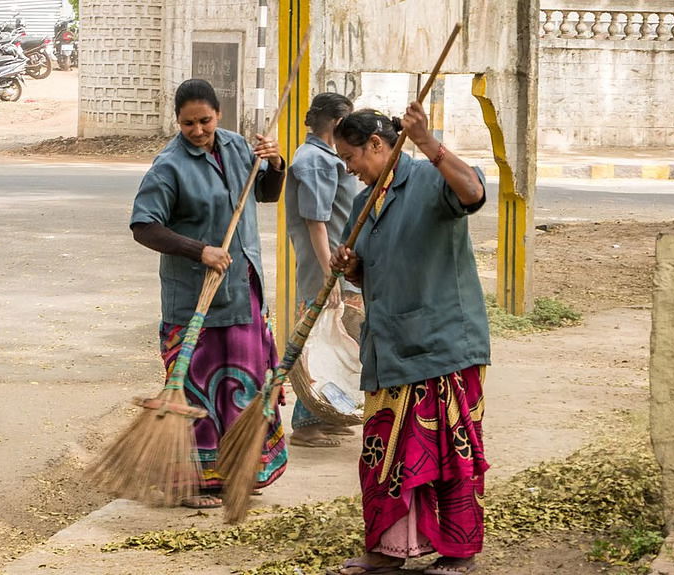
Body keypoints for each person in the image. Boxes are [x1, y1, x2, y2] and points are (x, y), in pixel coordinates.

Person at [327, 103, 490, 575]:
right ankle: (387, 550)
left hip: (442, 346)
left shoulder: (430, 179)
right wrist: (351, 267)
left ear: (377, 145)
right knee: (383, 454)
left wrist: (429, 144)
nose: (348, 168)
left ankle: (460, 551)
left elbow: (474, 192)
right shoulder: (362, 206)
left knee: (447, 455)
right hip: (389, 350)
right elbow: (369, 269)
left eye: (351, 157)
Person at [129, 79, 289, 509]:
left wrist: (275, 164)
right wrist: (200, 250)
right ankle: (194, 482)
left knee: (244, 387)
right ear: (176, 122)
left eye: (205, 120)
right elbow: (144, 226)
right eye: (188, 123)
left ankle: (240, 470)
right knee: (197, 393)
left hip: (242, 293)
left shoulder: (239, 147)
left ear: (219, 115)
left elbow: (267, 195)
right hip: (194, 301)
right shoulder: (169, 166)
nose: (198, 130)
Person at [284, 92, 361, 448]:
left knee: (340, 339)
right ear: (336, 122)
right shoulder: (314, 160)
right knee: (319, 342)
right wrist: (329, 275)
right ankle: (306, 422)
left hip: (336, 263)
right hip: (324, 267)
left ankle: (329, 414)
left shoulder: (327, 156)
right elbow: (316, 221)